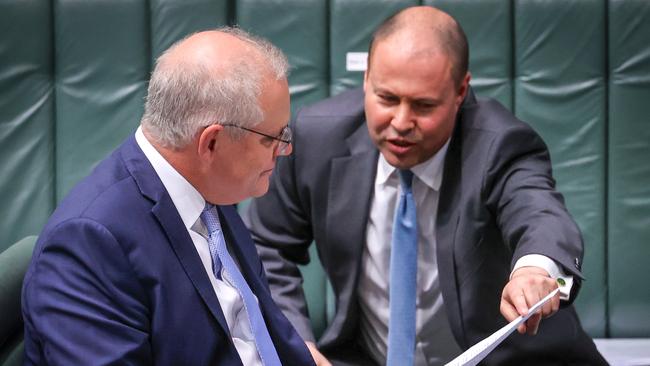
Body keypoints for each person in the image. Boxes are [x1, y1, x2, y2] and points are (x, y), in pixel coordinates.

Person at [243, 6, 607, 366]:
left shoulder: (500, 145)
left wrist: (536, 270)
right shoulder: (318, 137)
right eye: (386, 98)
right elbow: (266, 245)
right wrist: (297, 342)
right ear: (367, 78)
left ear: (461, 90)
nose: (401, 122)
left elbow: (541, 214)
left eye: (424, 105)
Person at [22, 28, 315, 365]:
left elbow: (257, 330)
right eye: (272, 138)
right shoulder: (87, 245)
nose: (286, 149)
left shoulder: (209, 190)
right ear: (212, 143)